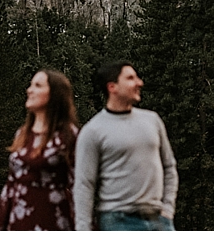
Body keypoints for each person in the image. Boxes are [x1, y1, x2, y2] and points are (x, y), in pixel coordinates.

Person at [73, 62, 178, 231]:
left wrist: (167, 210)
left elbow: (169, 166)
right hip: (117, 221)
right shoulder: (92, 131)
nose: (139, 83)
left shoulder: (152, 120)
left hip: (160, 221)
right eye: (130, 78)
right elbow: (84, 184)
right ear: (112, 87)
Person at [0, 69, 79, 230]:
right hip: (18, 220)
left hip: (52, 220)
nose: (29, 90)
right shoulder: (23, 133)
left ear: (54, 94)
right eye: (31, 85)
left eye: (37, 85)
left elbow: (78, 186)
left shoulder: (68, 136)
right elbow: (10, 185)